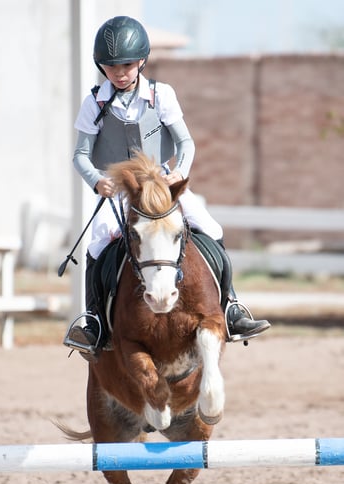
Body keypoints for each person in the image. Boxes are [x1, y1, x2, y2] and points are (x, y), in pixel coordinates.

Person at [63, 15, 270, 360]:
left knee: (211, 228)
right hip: (118, 189)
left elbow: (185, 143)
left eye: (127, 64)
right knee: (97, 244)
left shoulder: (161, 94)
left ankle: (231, 307)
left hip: (161, 183)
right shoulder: (94, 103)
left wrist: (180, 172)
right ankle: (95, 322)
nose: (120, 72)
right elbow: (81, 155)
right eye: (111, 66)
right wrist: (96, 181)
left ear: (141, 61)